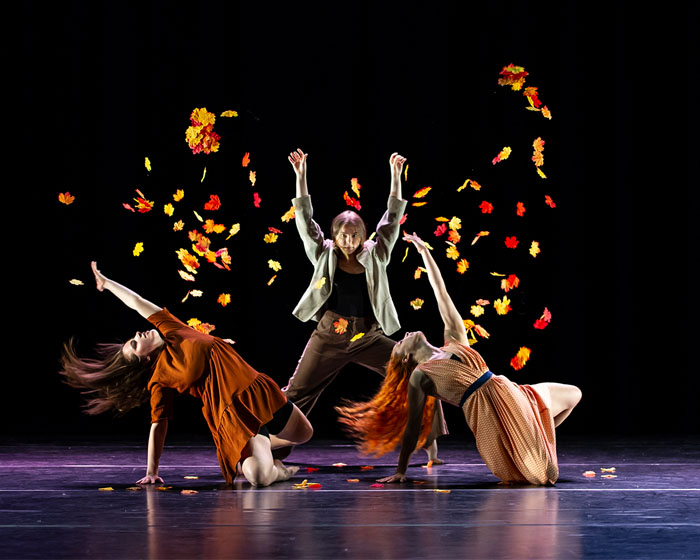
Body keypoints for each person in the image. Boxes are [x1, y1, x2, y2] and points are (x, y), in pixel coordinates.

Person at [337, 233, 582, 485]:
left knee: (574, 394)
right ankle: (528, 438)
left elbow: (440, 291)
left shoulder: (454, 339)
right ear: (407, 357)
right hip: (487, 413)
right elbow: (413, 429)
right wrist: (402, 470)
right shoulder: (421, 375)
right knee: (544, 474)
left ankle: (537, 433)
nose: (404, 335)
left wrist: (424, 252)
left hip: (509, 390)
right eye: (400, 343)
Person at [60, 262, 313, 488]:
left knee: (305, 434)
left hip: (255, 391)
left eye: (133, 339)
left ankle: (265, 443)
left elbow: (136, 301)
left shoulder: (172, 328)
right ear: (144, 360)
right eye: (134, 345)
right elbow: (158, 425)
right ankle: (277, 469)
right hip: (230, 414)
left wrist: (107, 283)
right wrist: (152, 471)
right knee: (258, 478)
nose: (137, 335)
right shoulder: (159, 378)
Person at [282, 149, 447, 462]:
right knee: (297, 393)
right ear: (334, 235)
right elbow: (304, 220)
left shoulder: (376, 253)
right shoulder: (323, 254)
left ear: (362, 235)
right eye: (343, 235)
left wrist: (396, 176)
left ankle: (430, 446)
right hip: (329, 333)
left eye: (354, 235)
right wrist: (300, 174)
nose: (348, 241)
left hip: (367, 336)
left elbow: (393, 218)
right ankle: (273, 444)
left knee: (417, 371)